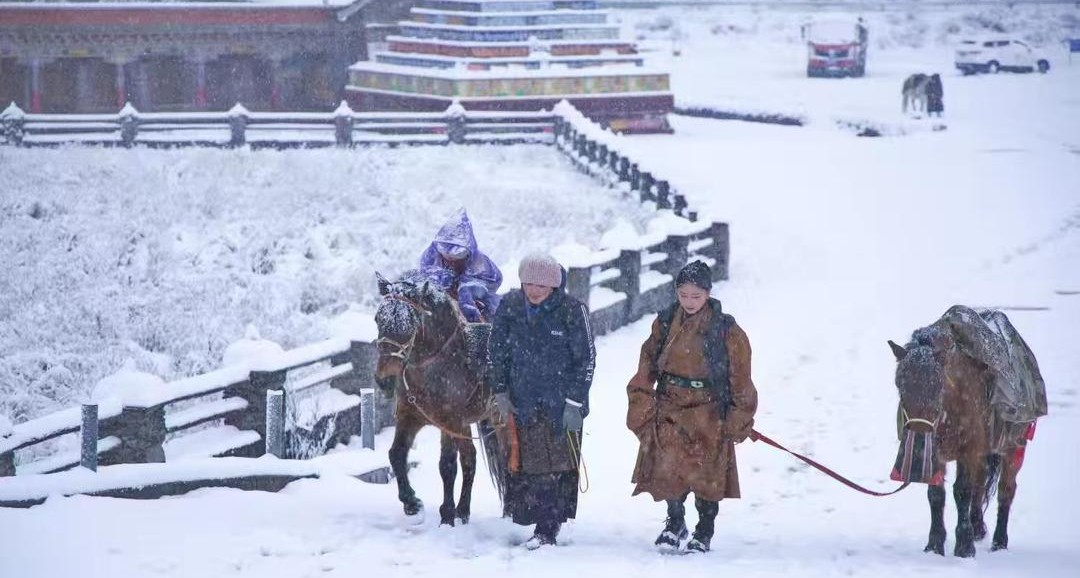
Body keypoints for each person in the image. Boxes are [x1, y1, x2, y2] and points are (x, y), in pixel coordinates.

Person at [625, 260, 758, 554]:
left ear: (708, 294)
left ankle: (704, 530)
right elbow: (647, 363)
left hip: (709, 409)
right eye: (683, 294)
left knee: (707, 473)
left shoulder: (726, 330)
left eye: (696, 296)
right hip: (670, 406)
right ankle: (675, 523)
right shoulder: (665, 322)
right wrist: (641, 401)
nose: (689, 301)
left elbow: (740, 377)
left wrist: (739, 415)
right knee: (668, 467)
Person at [489, 252, 595, 550]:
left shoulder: (572, 311)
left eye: (542, 285)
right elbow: (496, 351)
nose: (534, 291)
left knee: (555, 466)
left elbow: (586, 359)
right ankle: (533, 519)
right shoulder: (510, 306)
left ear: (554, 286)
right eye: (529, 284)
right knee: (525, 465)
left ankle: (547, 528)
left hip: (561, 404)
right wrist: (499, 391)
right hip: (521, 400)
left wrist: (575, 402)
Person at [418, 208, 502, 322]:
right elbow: (424, 274)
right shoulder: (431, 257)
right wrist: (439, 278)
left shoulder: (480, 263)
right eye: (446, 254)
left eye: (458, 255)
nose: (451, 260)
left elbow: (494, 280)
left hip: (476, 303)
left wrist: (469, 288)